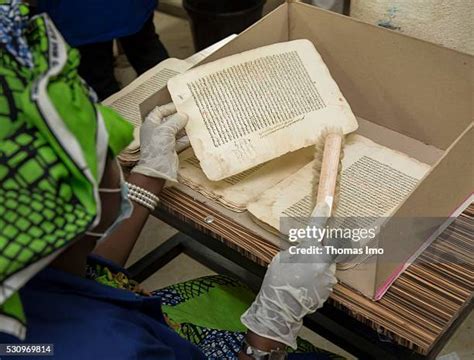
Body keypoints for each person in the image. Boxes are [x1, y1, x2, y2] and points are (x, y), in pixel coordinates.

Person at [0, 2, 340, 359]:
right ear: (70, 210)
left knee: (224, 286)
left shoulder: (27, 270)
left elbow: (72, 264)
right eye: (103, 153)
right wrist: (268, 333)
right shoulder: (116, 348)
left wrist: (148, 176)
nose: (119, 151)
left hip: (123, 313)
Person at [33, 0, 169, 100]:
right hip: (128, 7)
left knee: (99, 79)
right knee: (147, 52)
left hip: (79, 14)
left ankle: (123, 130)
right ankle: (179, 103)